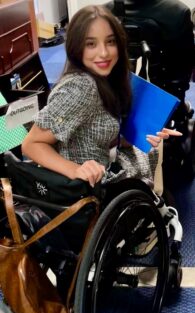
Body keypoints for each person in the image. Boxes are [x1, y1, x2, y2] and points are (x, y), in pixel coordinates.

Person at [22, 5, 182, 189]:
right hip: (91, 188)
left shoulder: (105, 78)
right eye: (91, 44)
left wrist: (142, 134)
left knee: (150, 149)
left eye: (110, 42)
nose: (104, 53)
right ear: (76, 47)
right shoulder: (81, 87)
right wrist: (75, 169)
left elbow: (95, 134)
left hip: (105, 169)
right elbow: (31, 144)